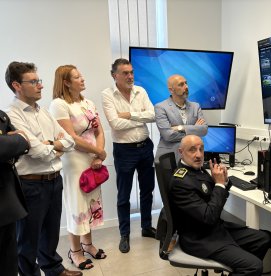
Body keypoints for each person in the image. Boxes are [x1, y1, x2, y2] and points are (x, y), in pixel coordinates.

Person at [5, 61, 80, 276]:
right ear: (16, 85)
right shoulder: (12, 114)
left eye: (40, 81)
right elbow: (36, 151)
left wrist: (51, 144)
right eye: (34, 81)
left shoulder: (43, 111)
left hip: (54, 179)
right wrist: (54, 145)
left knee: (51, 232)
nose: (40, 85)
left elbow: (70, 141)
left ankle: (53, 268)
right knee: (28, 239)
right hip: (30, 184)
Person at [169, 135, 271, 276]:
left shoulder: (197, 170)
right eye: (192, 150)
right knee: (254, 267)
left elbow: (214, 199)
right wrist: (219, 184)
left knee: (266, 238)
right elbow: (209, 217)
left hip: (216, 229)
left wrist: (224, 182)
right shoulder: (181, 182)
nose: (199, 155)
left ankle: (236, 266)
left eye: (201, 149)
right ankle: (244, 266)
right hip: (200, 238)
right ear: (181, 152)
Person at [49, 65, 107, 270]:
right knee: (77, 203)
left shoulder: (88, 102)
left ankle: (87, 244)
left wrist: (99, 153)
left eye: (81, 75)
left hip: (93, 157)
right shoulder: (58, 104)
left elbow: (99, 131)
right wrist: (97, 152)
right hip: (74, 160)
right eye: (77, 77)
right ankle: (74, 251)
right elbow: (71, 138)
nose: (82, 79)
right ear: (66, 82)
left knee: (91, 200)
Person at [101, 58, 156, 254]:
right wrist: (139, 116)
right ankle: (124, 234)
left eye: (131, 72)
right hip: (124, 150)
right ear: (114, 75)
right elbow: (115, 124)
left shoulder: (141, 91)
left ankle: (146, 227)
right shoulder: (107, 95)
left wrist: (129, 115)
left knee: (147, 191)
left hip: (145, 148)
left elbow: (152, 115)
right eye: (125, 73)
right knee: (123, 195)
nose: (130, 76)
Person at [0, 110, 30, 276]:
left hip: (6, 202)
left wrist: (14, 143)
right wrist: (18, 140)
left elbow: (17, 148)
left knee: (9, 264)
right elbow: (20, 141)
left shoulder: (1, 115)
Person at [154, 74, 207, 162]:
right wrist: (194, 130)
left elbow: (204, 130)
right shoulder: (160, 107)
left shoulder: (195, 106)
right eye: (181, 84)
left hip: (192, 158)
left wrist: (181, 128)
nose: (186, 87)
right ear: (171, 90)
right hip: (168, 158)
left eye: (186, 83)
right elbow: (168, 135)